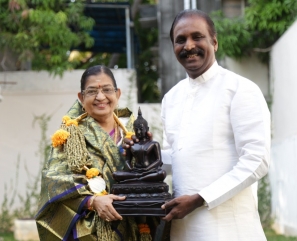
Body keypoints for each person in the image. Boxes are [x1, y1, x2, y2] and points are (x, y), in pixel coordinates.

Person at [125, 9, 270, 241]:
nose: (189, 45)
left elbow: (256, 161)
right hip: (183, 227)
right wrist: (143, 154)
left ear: (214, 42)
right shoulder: (171, 98)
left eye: (197, 37)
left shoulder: (240, 89)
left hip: (230, 228)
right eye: (180, 40)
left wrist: (200, 198)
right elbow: (183, 157)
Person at [35, 65, 157, 241]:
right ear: (81, 97)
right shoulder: (70, 135)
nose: (100, 97)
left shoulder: (132, 131)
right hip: (89, 229)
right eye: (92, 91)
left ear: (118, 94)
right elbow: (54, 182)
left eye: (107, 90)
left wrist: (143, 153)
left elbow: (150, 172)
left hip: (132, 225)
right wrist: (92, 202)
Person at [113, 107, 166, 183]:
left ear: (147, 129)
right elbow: (128, 160)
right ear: (133, 130)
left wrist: (147, 169)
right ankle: (140, 178)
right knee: (116, 174)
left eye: (141, 129)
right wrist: (131, 169)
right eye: (136, 129)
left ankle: (137, 179)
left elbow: (158, 160)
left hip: (149, 171)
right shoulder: (131, 144)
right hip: (135, 171)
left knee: (162, 173)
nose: (139, 132)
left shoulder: (154, 144)